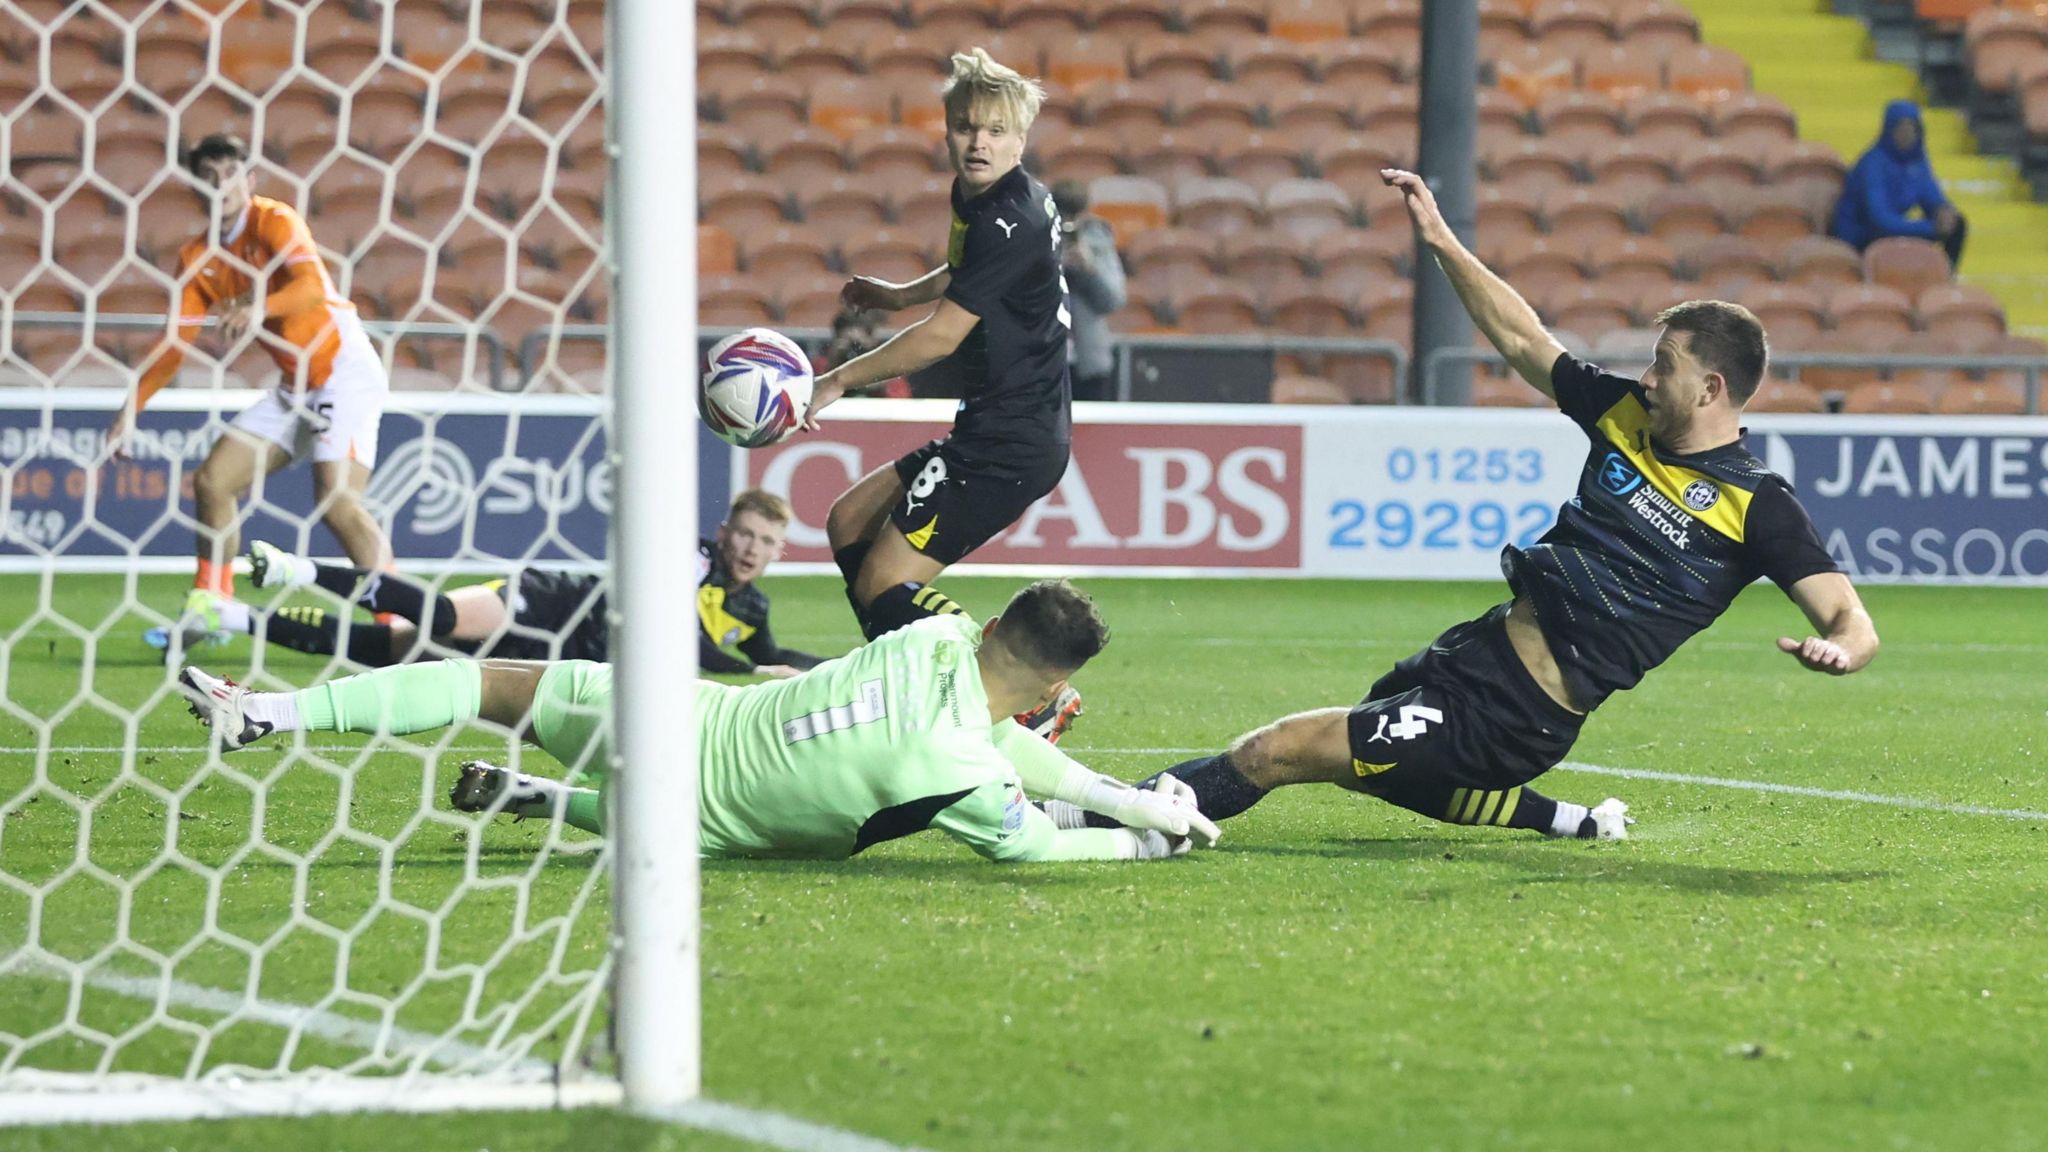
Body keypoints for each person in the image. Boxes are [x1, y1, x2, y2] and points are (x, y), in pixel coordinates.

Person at [1092, 169, 1881, 843]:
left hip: (1517, 715)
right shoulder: (1625, 417)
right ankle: (1566, 821)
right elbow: (1524, 339)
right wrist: (1440, 240)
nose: (1646, 378)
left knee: (1280, 751)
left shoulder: (1757, 506)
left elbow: (1851, 619)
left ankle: (1095, 821)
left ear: (1712, 388)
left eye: (1663, 366)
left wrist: (1840, 649)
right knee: (1367, 764)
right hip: (1477, 652)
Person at [179, 580, 1220, 863]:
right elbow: (1029, 839)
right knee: (797, 835)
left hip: (683, 713)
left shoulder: (927, 640)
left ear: (989, 622)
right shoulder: (958, 768)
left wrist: (1122, 797)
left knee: (495, 683)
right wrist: (1136, 833)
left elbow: (993, 724)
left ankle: (266, 711)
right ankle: (557, 803)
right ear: (1049, 693)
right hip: (701, 828)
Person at [800, 48, 1072, 653]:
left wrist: (838, 379)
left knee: (885, 583)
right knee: (849, 524)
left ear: (1020, 141)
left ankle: (1019, 690)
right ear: (947, 130)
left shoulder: (1011, 218)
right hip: (990, 428)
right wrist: (899, 296)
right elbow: (966, 271)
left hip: (1011, 444)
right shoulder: (986, 197)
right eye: (966, 126)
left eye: (996, 131)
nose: (979, 142)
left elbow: (941, 336)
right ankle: (899, 672)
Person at [114, 133, 392, 654]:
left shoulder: (274, 220)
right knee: (213, 482)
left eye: (230, 170)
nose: (222, 181)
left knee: (337, 502)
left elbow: (312, 286)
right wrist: (132, 407)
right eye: (210, 173)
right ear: (197, 186)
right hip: (295, 387)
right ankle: (211, 607)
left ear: (250, 178)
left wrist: (259, 305)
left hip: (342, 369)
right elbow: (175, 342)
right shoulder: (198, 257)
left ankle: (397, 622)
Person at [233, 488, 823, 677]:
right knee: (441, 616)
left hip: (556, 660)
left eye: (765, 541)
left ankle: (237, 619)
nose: (751, 549)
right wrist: (749, 672)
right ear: (724, 533)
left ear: (780, 549)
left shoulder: (753, 608)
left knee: (395, 654)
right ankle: (296, 569)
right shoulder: (691, 558)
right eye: (744, 534)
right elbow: (683, 640)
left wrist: (829, 665)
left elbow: (772, 655)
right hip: (553, 603)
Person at [1830, 100, 1966, 269]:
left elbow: (1930, 193)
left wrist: (1943, 209)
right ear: (1889, 130)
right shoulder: (1873, 164)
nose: (1907, 134)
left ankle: (1944, 279)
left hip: (1896, 228)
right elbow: (1879, 219)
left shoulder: (1917, 160)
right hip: (1864, 234)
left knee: (1957, 224)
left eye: (1912, 128)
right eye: (1901, 128)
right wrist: (1929, 228)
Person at [1051, 179, 1126, 402]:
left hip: (1089, 361)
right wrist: (1056, 266)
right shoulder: (1036, 238)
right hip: (1044, 361)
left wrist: (1089, 270)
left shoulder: (1099, 242)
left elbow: (1113, 300)